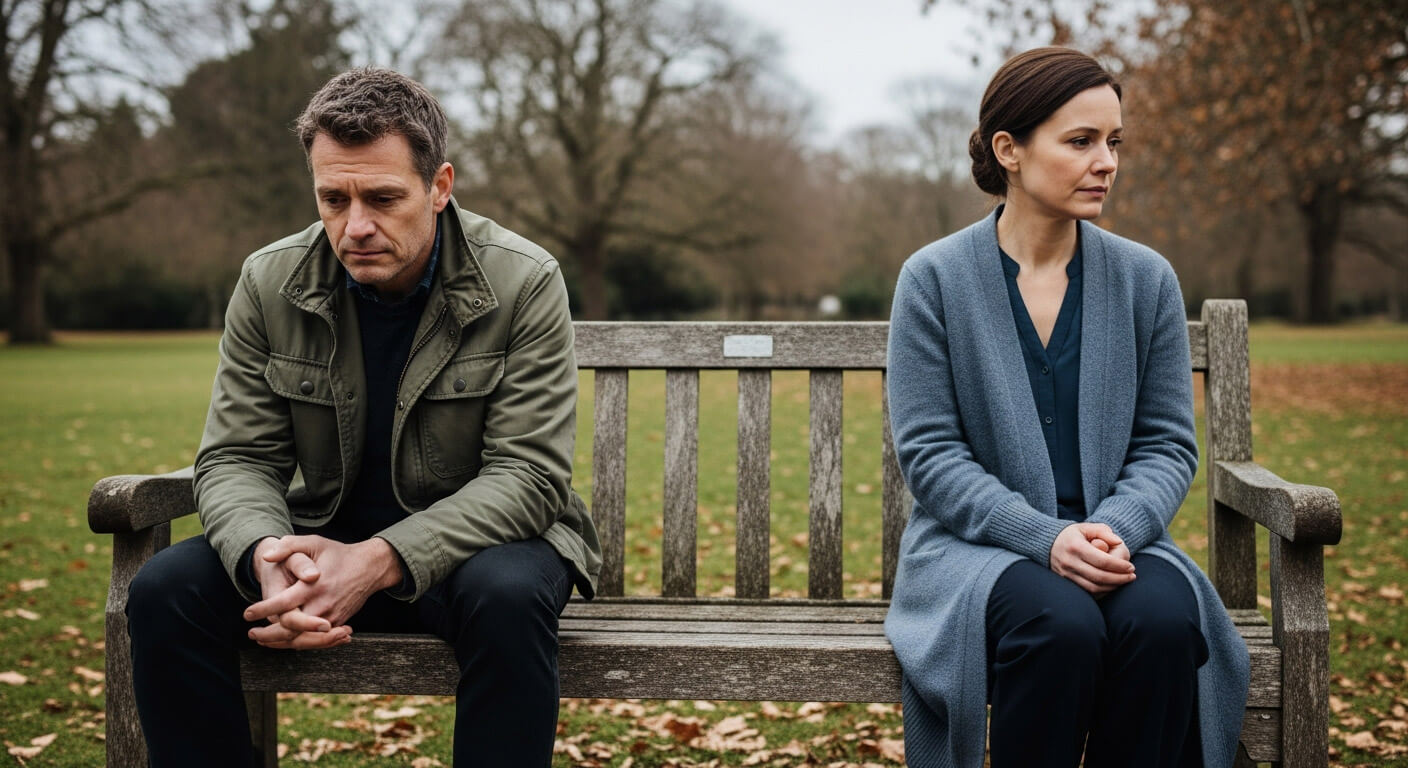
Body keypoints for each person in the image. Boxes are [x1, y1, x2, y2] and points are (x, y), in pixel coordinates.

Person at [125, 68, 602, 767]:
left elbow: (528, 477)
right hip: (321, 542)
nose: (356, 226)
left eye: (383, 197)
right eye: (332, 197)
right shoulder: (269, 280)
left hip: (477, 552)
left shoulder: (523, 280)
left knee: (507, 596)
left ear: (439, 187)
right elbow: (237, 458)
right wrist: (266, 553)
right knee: (165, 590)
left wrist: (377, 561)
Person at [883, 48, 1250, 768]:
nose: (1106, 161)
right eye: (1080, 141)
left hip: (1121, 546)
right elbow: (930, 455)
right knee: (1061, 625)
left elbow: (1168, 445)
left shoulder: (1146, 279)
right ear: (1008, 150)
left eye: (1114, 142)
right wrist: (1044, 538)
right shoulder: (933, 279)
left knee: (1166, 626)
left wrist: (1110, 529)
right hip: (976, 553)